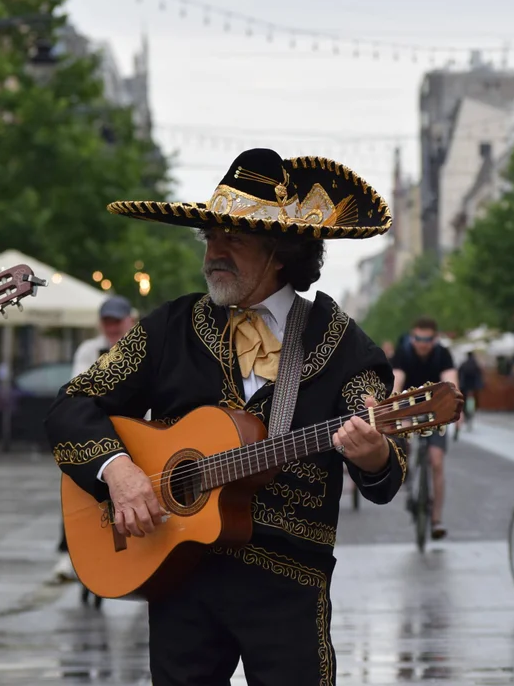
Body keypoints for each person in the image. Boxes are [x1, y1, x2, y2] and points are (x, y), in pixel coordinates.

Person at [46, 148, 409, 686]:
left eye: (232, 238)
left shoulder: (341, 344)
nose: (213, 252)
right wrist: (118, 472)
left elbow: (383, 475)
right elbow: (73, 405)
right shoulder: (172, 326)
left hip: (288, 583)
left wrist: (376, 453)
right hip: (179, 572)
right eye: (209, 237)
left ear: (280, 251)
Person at [50, 295, 137, 588]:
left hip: (137, 431)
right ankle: (68, 553)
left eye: (117, 320)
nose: (112, 326)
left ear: (129, 320)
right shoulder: (89, 349)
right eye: (107, 321)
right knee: (76, 482)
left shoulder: (143, 345)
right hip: (98, 429)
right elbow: (79, 393)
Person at [390, 316, 457, 539]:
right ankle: (405, 469)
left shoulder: (442, 354)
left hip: (436, 411)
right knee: (404, 435)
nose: (423, 343)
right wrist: (393, 404)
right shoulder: (403, 353)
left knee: (437, 462)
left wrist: (458, 407)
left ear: (435, 339)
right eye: (418, 338)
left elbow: (451, 383)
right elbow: (396, 382)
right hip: (409, 408)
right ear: (412, 337)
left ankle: (436, 519)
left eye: (427, 339)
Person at [457, 351, 484, 430]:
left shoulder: (463, 364)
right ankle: (471, 414)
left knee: (464, 402)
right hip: (473, 388)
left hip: (464, 387)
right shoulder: (476, 365)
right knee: (472, 401)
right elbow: (479, 376)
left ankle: (466, 414)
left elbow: (459, 374)